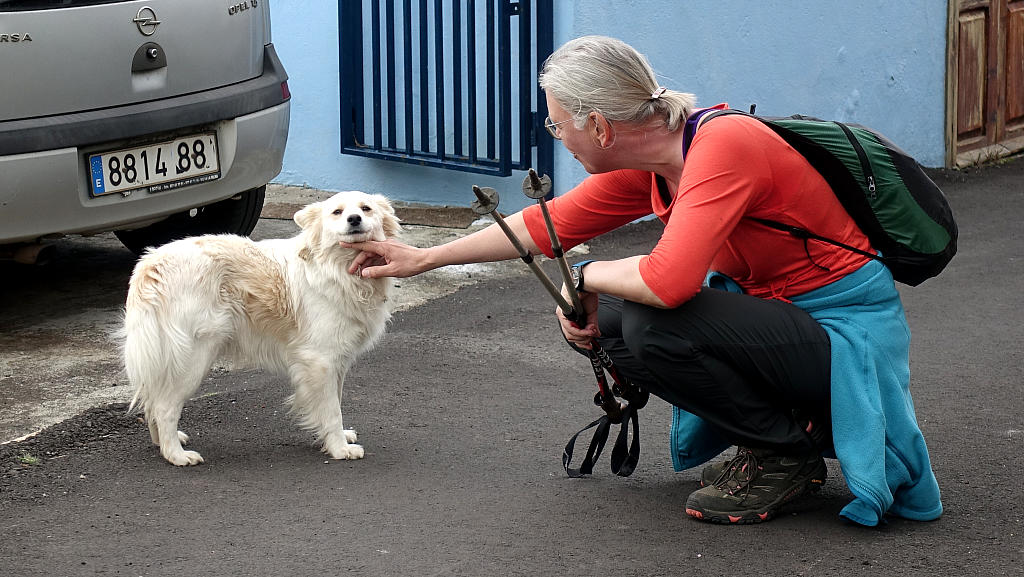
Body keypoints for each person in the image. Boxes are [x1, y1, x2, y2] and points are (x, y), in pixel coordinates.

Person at [342, 35, 943, 526]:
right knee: (604, 323)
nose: (558, 140)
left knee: (651, 317)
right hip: (782, 323)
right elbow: (543, 227)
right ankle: (778, 437)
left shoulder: (725, 145)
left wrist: (587, 273)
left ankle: (787, 450)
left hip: (844, 337)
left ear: (600, 127)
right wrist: (425, 256)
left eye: (558, 127)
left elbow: (670, 282)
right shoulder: (656, 162)